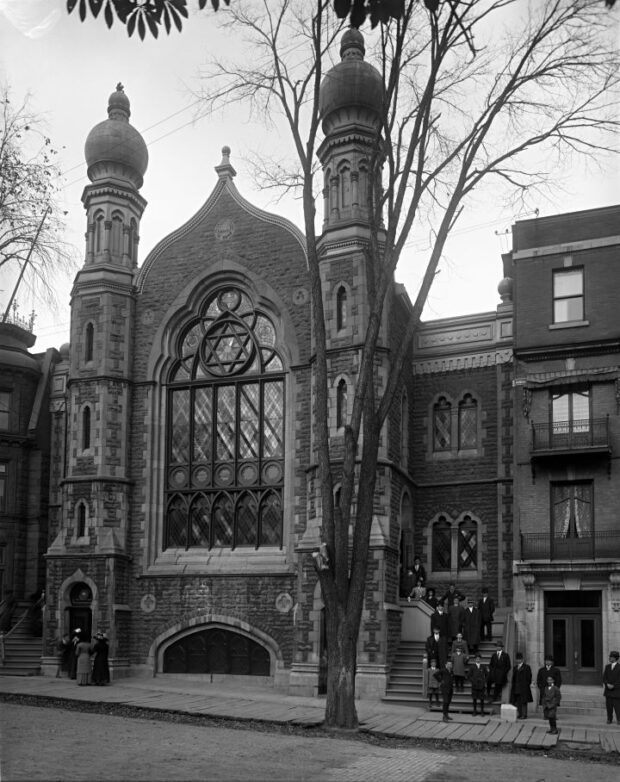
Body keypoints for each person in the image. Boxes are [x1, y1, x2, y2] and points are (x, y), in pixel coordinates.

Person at [509, 652, 533, 720]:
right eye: (517, 659)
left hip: (524, 687)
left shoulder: (527, 667)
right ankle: (520, 714)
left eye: (520, 659)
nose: (518, 660)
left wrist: (526, 685)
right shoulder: (515, 667)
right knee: (518, 702)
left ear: (522, 659)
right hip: (516, 687)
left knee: (524, 702)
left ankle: (524, 714)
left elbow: (529, 677)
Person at [603, 650, 620, 725]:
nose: (609, 658)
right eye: (610, 656)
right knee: (609, 706)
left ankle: (619, 719)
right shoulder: (607, 667)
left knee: (617, 707)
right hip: (608, 691)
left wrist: (614, 686)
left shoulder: (619, 667)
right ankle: (609, 718)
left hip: (616, 691)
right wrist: (607, 684)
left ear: (615, 658)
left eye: (611, 657)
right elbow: (604, 677)